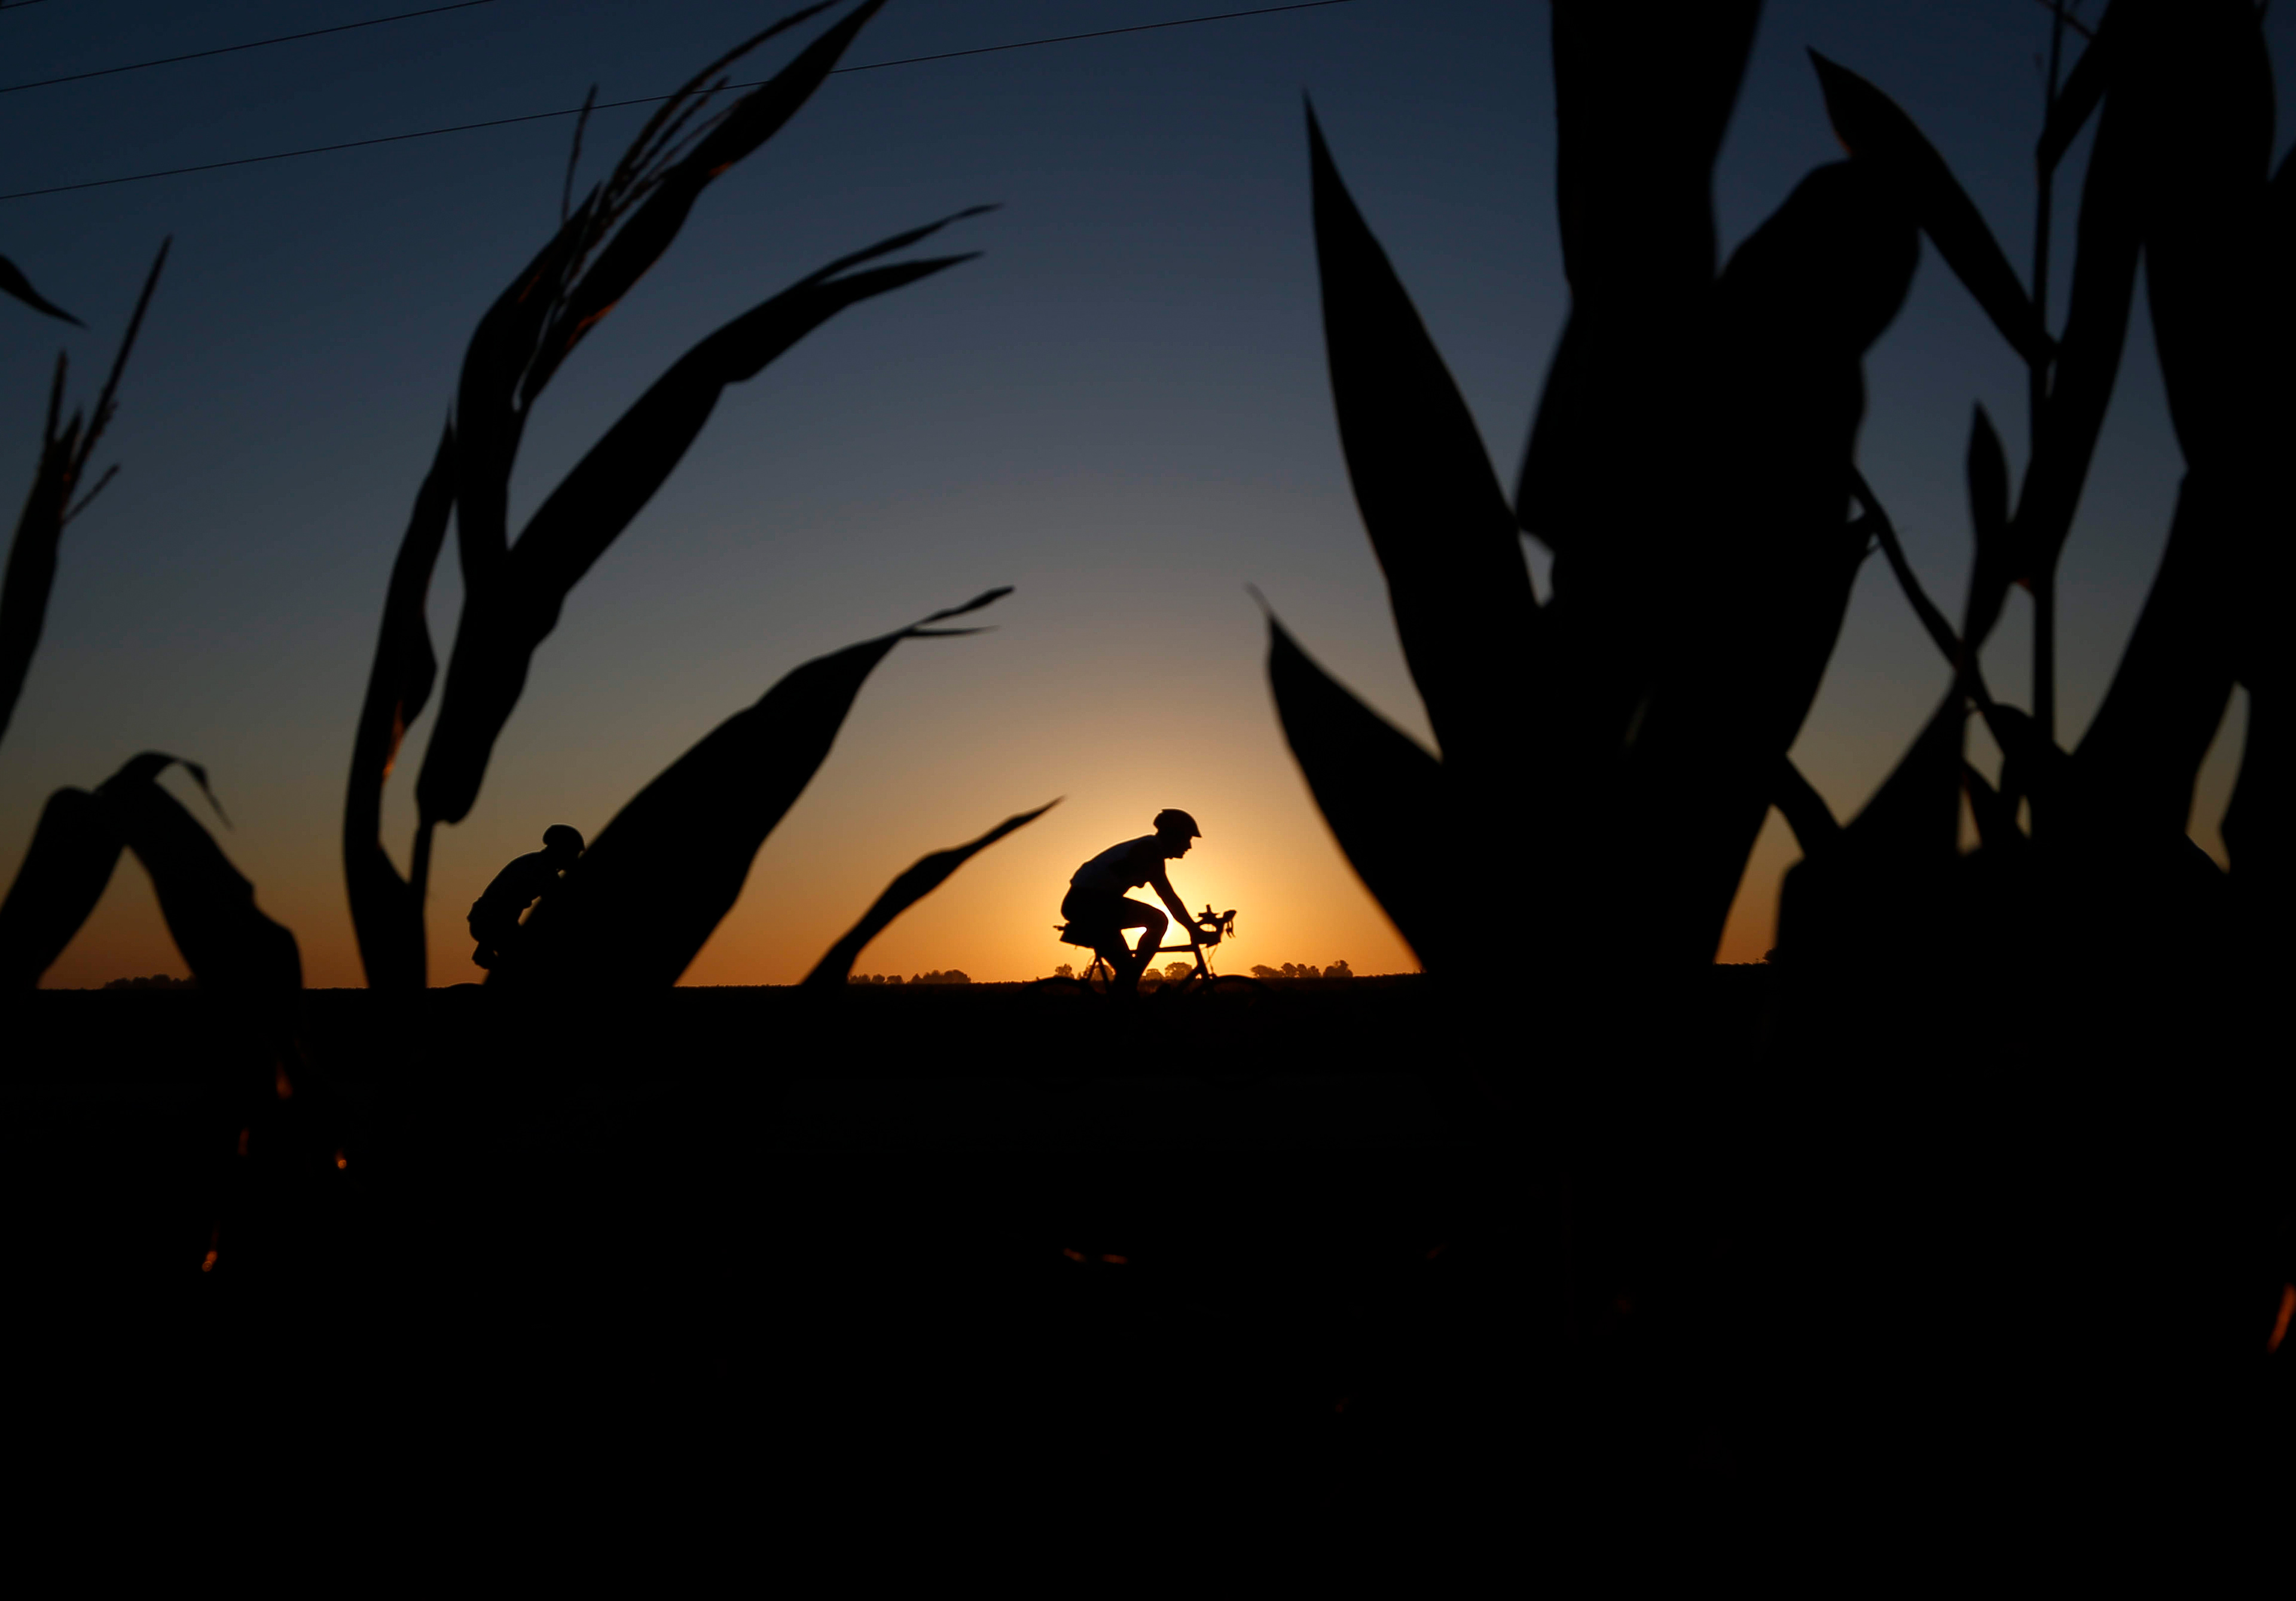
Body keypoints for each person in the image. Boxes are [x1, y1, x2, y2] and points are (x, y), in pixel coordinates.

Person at [1062, 809, 1207, 995]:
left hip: (1091, 903)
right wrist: (1193, 929)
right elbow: (1168, 897)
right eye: (1187, 839)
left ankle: (1126, 997)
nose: (1189, 846)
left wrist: (1192, 927)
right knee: (1159, 920)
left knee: (1126, 970)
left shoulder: (1148, 848)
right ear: (1173, 836)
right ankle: (1128, 990)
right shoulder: (1148, 851)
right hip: (1089, 903)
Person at [469, 824, 584, 971]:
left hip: (490, 923)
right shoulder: (541, 870)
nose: (575, 858)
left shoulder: (534, 863)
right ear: (562, 850)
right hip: (493, 924)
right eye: (573, 853)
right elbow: (559, 904)